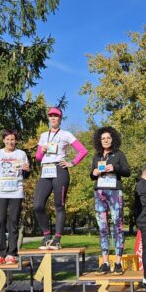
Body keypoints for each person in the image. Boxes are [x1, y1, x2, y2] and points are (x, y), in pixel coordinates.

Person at [34, 107, 88, 250]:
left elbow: (83, 151)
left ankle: (57, 239)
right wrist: (42, 151)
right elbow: (38, 157)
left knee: (59, 205)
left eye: (56, 116)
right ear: (48, 118)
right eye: (51, 116)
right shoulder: (43, 135)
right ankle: (47, 237)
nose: (53, 118)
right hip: (45, 170)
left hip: (59, 170)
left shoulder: (66, 134)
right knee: (38, 206)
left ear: (60, 119)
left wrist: (72, 162)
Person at [90, 127, 131, 275]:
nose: (106, 140)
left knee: (117, 226)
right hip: (99, 193)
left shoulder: (118, 154)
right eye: (103, 138)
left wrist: (114, 167)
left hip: (114, 193)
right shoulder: (96, 156)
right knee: (102, 228)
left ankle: (118, 262)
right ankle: (105, 262)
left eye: (108, 138)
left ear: (113, 139)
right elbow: (92, 175)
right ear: (99, 141)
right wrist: (94, 173)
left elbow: (127, 171)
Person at [0, 130, 30, 264]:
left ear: (16, 141)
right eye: (7, 139)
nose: (10, 142)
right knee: (0, 221)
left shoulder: (21, 154)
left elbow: (25, 175)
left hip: (16, 192)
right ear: (3, 140)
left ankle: (12, 253)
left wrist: (26, 170)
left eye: (12, 139)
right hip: (0, 192)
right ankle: (0, 253)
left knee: (13, 222)